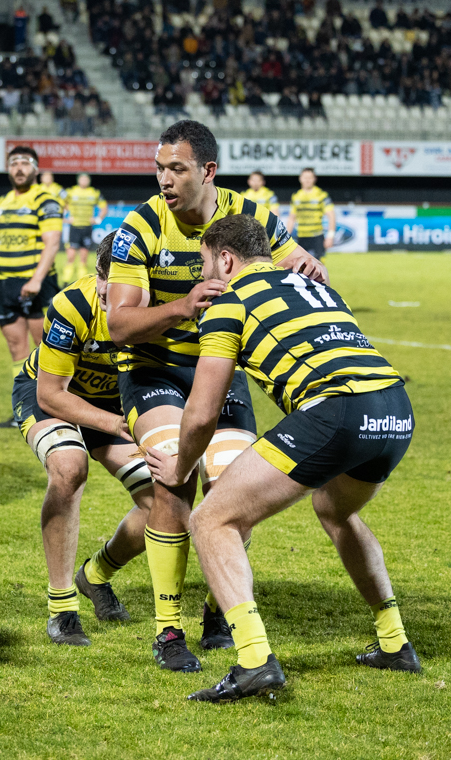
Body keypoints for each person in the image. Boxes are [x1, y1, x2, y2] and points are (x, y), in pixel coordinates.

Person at [142, 214, 420, 701]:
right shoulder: (316, 286)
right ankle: (395, 641)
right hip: (395, 409)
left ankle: (253, 659)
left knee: (211, 519)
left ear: (225, 259)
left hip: (336, 410)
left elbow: (203, 411)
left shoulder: (228, 300)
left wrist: (182, 466)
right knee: (335, 509)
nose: (204, 277)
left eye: (205, 264)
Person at [106, 120, 324, 674]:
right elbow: (120, 325)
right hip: (153, 368)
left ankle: (216, 611)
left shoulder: (249, 217)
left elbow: (296, 261)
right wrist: (183, 305)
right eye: (158, 168)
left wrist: (309, 265)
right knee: (171, 478)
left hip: (222, 370)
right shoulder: (140, 227)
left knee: (233, 490)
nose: (163, 179)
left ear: (207, 171)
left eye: (175, 168)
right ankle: (167, 628)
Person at [13, 235, 151, 646]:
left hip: (113, 404)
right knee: (70, 467)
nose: (118, 299)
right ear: (99, 276)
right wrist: (115, 424)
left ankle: (95, 576)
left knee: (164, 499)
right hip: (51, 395)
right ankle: (62, 608)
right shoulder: (73, 305)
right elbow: (50, 393)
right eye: (111, 286)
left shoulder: (157, 308)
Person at [0, 146, 64, 428]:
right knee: (16, 349)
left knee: (44, 348)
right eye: (14, 163)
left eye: (26, 162)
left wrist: (37, 279)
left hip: (38, 283)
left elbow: (52, 242)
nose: (19, 167)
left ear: (36, 169)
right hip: (7, 284)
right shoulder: (3, 201)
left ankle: (52, 406)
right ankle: (23, 409)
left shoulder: (46, 200)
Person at [62, 173, 107, 278]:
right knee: (71, 256)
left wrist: (97, 219)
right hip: (74, 228)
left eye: (86, 179)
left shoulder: (94, 193)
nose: (84, 181)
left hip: (87, 228)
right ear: (78, 180)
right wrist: (65, 218)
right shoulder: (71, 192)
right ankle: (64, 281)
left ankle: (80, 281)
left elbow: (104, 208)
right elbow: (60, 204)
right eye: (82, 179)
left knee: (83, 257)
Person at [286, 167, 334, 259]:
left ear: (314, 179)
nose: (307, 180)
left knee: (318, 268)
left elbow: (331, 216)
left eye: (310, 177)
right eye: (305, 177)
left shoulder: (321, 195)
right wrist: (286, 236)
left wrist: (330, 236)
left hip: (317, 237)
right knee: (301, 268)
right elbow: (292, 218)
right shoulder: (296, 196)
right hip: (301, 237)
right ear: (300, 178)